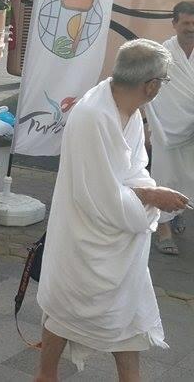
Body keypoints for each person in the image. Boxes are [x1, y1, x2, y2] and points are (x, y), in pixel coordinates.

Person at [36, 39, 189, 380]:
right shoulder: (93, 116)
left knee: (128, 314)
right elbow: (99, 195)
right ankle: (46, 375)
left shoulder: (127, 110)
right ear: (151, 86)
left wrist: (148, 192)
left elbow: (132, 170)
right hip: (86, 234)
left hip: (121, 239)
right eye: (164, 81)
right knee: (66, 308)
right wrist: (153, 196)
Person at [147, 1, 194, 256]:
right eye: (186, 22)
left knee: (188, 177)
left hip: (192, 132)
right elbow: (151, 90)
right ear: (174, 23)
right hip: (166, 128)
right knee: (164, 176)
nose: (191, 28)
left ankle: (177, 211)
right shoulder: (161, 54)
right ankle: (163, 230)